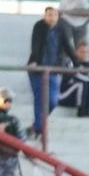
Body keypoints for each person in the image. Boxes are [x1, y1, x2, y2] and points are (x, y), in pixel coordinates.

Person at [26, 7, 76, 139]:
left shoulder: (61, 28)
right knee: (40, 98)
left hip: (54, 69)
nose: (52, 17)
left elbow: (68, 46)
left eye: (55, 15)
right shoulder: (39, 26)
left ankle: (37, 126)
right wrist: (35, 60)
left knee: (53, 100)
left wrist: (78, 63)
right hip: (38, 68)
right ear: (44, 16)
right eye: (49, 15)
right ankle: (39, 129)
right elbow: (35, 44)